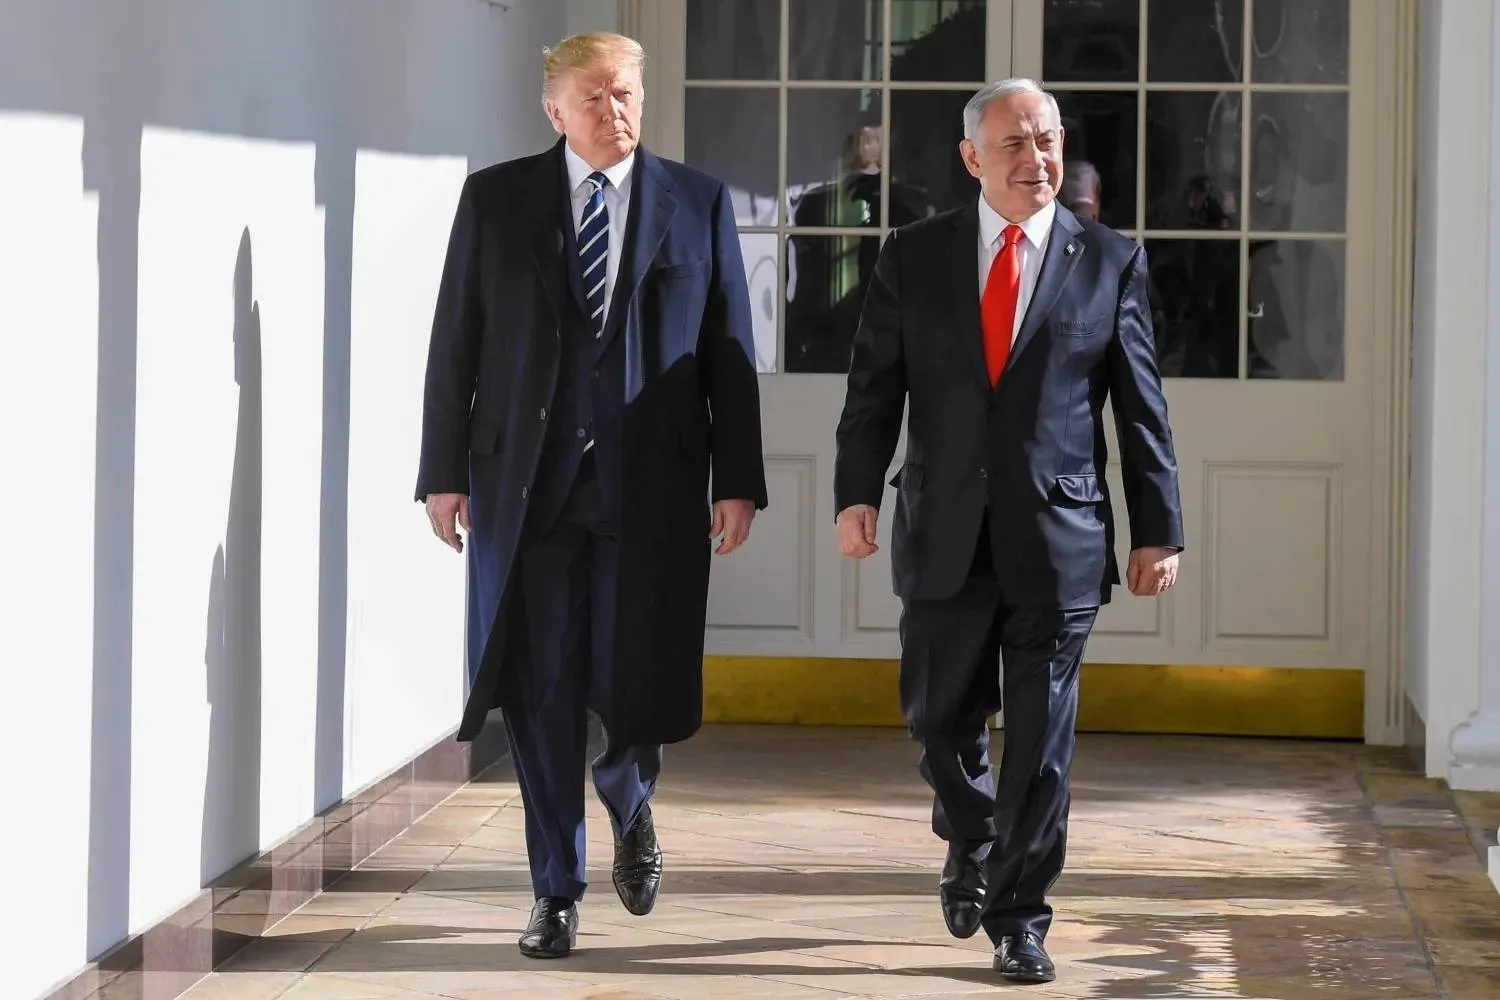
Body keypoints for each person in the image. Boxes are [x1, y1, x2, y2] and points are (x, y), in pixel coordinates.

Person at [415, 31, 767, 960]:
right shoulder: (496, 200)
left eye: (628, 95)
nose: (616, 112)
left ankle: (629, 796)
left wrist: (737, 480)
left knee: (631, 674)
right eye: (597, 96)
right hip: (524, 492)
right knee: (541, 691)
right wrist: (442, 471)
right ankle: (554, 891)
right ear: (554, 108)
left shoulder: (696, 203)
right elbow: (456, 339)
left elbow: (731, 354)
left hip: (649, 490)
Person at [833, 78, 1183, 984]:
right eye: (1017, 145)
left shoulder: (1109, 259)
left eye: (1048, 141)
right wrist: (855, 492)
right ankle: (973, 835)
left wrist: (1159, 528)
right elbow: (873, 390)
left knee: (1041, 740)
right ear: (971, 159)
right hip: (943, 525)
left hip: (1058, 536)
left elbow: (1141, 411)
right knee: (938, 718)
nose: (1038, 161)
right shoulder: (913, 257)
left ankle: (1021, 915)